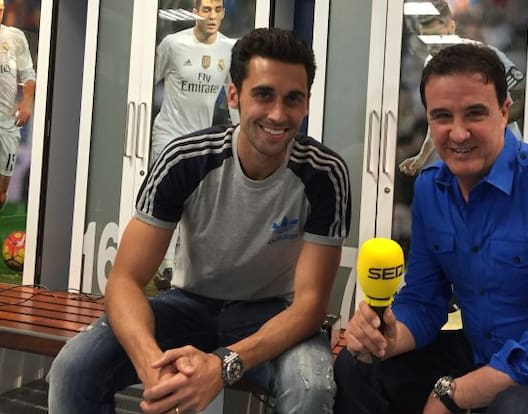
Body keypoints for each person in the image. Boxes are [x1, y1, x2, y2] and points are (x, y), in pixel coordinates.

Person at [48, 28, 351, 414]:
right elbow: (124, 280)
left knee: (311, 389)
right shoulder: (185, 159)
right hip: (187, 305)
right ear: (234, 96)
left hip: (275, 313)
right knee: (74, 369)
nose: (278, 114)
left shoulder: (325, 174)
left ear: (306, 103)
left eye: (293, 98)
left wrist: (222, 366)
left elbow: (309, 306)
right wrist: (152, 368)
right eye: (263, 95)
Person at [334, 44, 528, 414]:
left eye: (475, 113)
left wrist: (450, 394)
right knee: (359, 367)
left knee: (514, 409)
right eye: (442, 116)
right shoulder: (431, 188)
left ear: (503, 111)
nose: (458, 133)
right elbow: (423, 301)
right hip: (488, 353)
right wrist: (389, 335)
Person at [151, 0, 236, 281]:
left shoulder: (230, 48)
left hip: (200, 139)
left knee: (195, 203)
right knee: (165, 198)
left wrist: (239, 132)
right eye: (206, 9)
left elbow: (234, 96)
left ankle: (181, 266)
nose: (212, 16)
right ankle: (163, 265)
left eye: (217, 9)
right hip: (168, 134)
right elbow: (146, 81)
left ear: (223, 13)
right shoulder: (173, 44)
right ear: (195, 12)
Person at [399, 0, 524, 176]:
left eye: (437, 37)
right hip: (466, 162)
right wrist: (421, 157)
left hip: (504, 158)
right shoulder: (431, 65)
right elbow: (438, 119)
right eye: (427, 40)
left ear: (451, 27)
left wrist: (487, 124)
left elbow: (524, 98)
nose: (432, 46)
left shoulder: (484, 55)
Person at [0, 0, 35, 210]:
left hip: (6, 124)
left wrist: (26, 103)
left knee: (1, 194)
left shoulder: (15, 37)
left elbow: (29, 75)